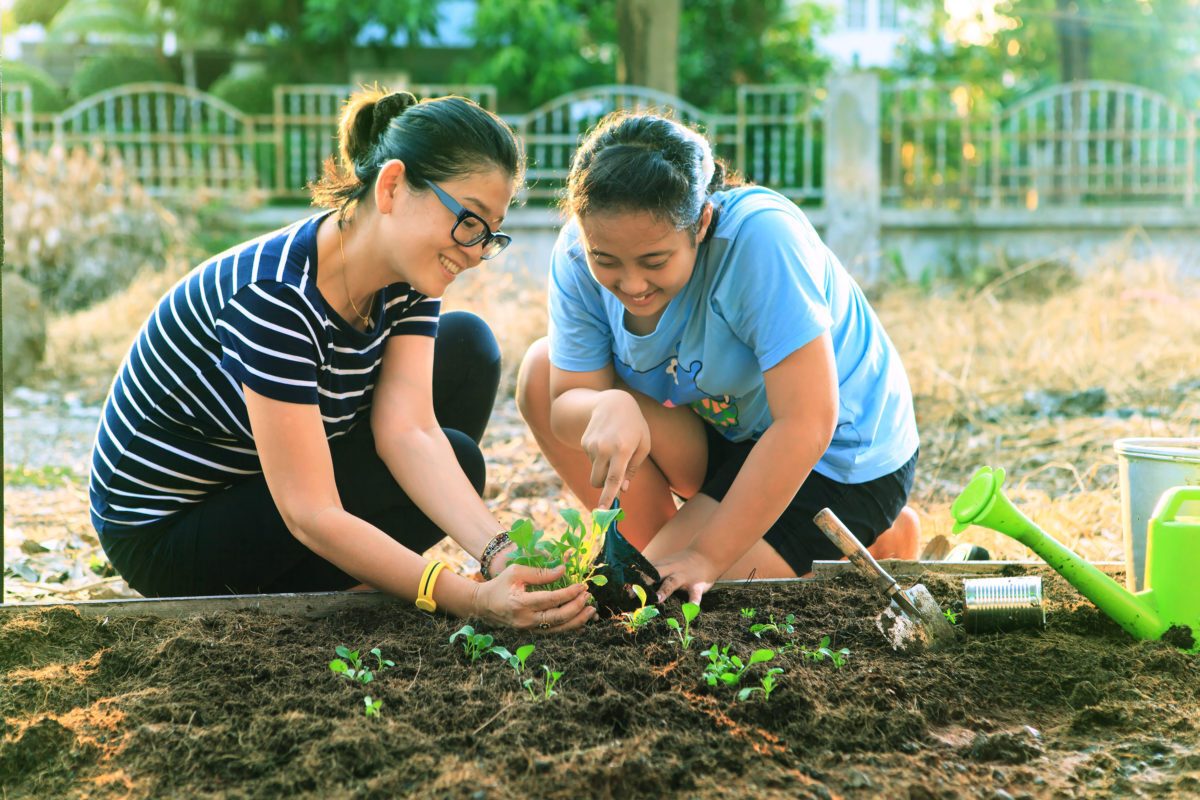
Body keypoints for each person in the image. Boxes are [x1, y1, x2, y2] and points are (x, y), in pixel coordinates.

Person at [89, 88, 593, 632]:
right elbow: (311, 512)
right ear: (393, 186)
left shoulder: (409, 276)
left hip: (263, 481)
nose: (474, 251)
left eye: (488, 234)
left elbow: (410, 432)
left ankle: (355, 575)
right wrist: (464, 599)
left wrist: (498, 554)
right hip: (171, 534)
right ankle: (347, 580)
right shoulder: (274, 296)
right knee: (460, 460)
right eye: (468, 221)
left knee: (465, 352)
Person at [517, 112, 921, 607]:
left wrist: (705, 557)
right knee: (541, 371)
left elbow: (808, 423)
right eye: (607, 260)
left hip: (837, 454)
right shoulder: (578, 256)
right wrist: (604, 407)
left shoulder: (761, 240)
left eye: (655, 261)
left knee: (677, 595)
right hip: (731, 434)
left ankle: (878, 537)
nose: (632, 284)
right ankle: (666, 547)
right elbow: (561, 403)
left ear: (702, 223)